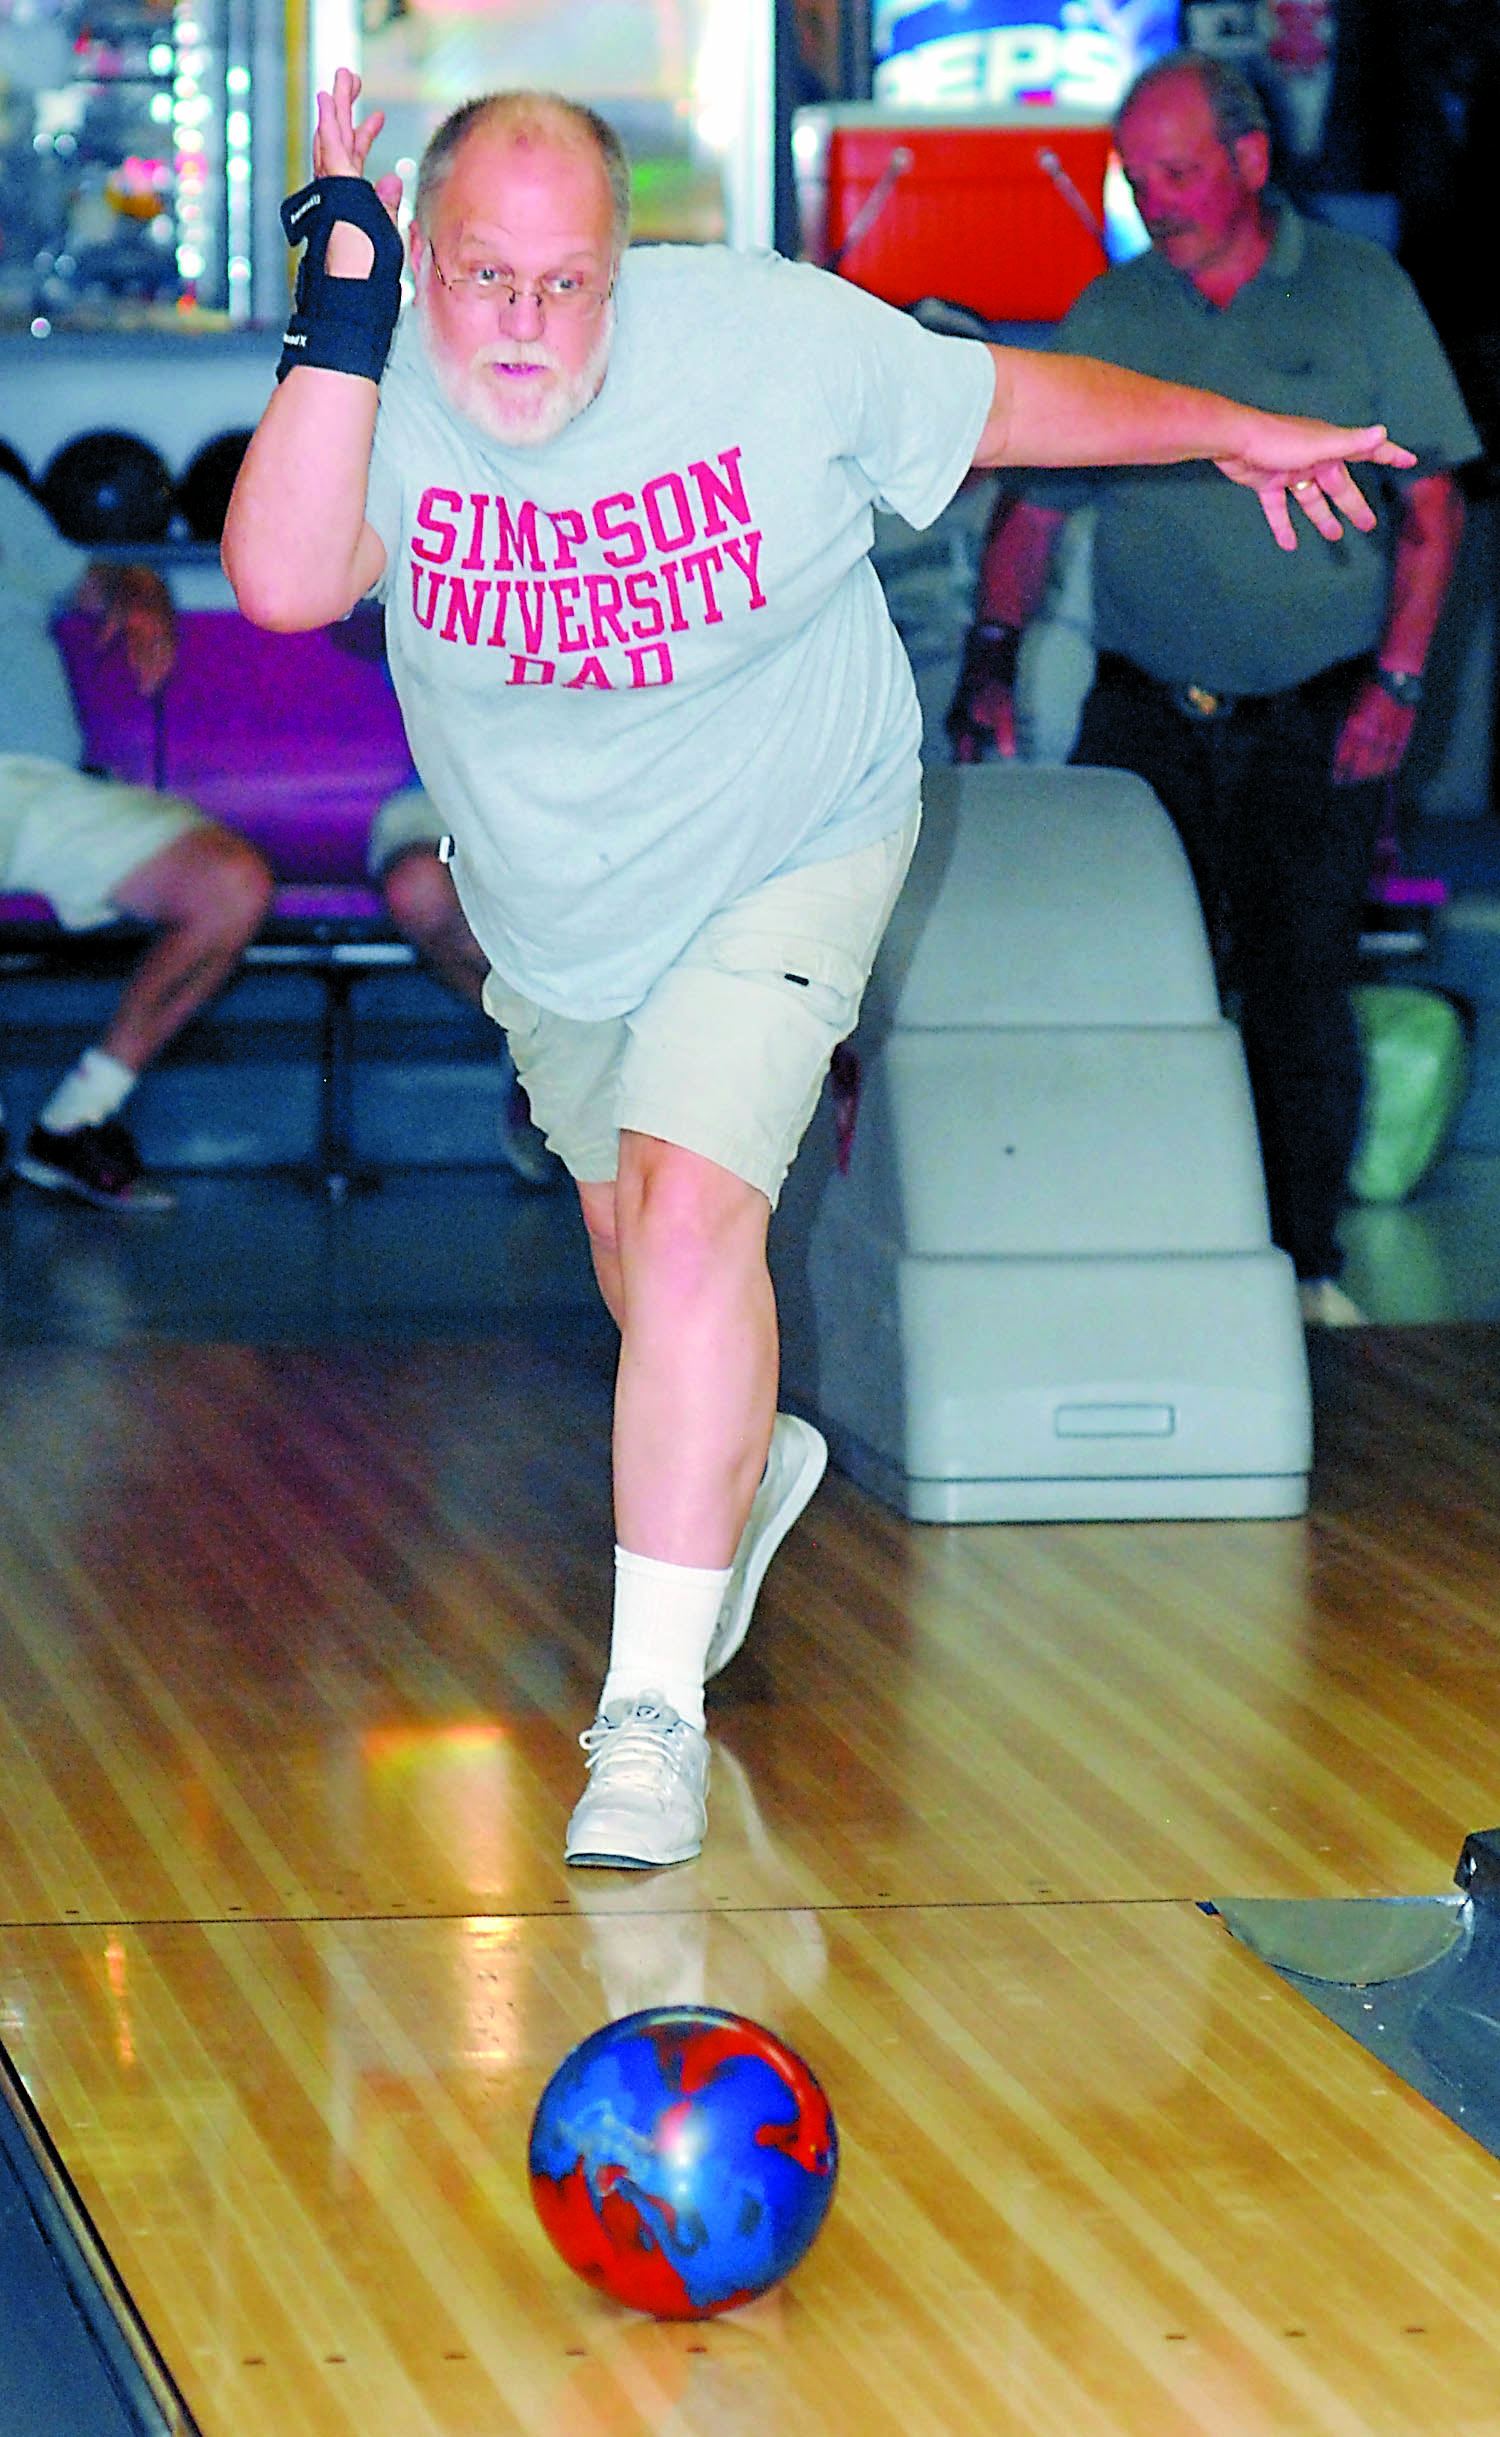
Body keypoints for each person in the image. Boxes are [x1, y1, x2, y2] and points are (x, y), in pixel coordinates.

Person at [222, 66, 1415, 1870]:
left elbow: (1009, 402)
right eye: (482, 278)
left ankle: (647, 1720)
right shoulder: (374, 375)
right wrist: (345, 308)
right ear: (420, 257)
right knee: (645, 1256)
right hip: (560, 904)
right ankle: (750, 1462)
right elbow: (289, 580)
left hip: (795, 841)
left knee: (698, 1216)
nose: (527, 325)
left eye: (569, 282)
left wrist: (1229, 428)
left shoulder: (772, 344)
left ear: (630, 267)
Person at [946, 52, 1478, 1329]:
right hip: (1148, 708)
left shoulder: (1359, 297)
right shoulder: (1115, 314)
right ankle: (1136, 1246)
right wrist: (992, 660)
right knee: (1126, 976)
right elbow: (1035, 507)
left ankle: (1299, 1266)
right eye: (1136, 177)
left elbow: (1433, 506)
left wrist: (1398, 684)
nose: (1156, 200)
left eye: (1178, 172)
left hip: (1320, 702)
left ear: (1249, 161)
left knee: (1298, 979)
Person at [1, 466, 273, 1210]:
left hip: (41, 785)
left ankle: (75, 1120)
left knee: (230, 884)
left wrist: (139, 586)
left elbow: (87, 579)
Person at [368, 783, 564, 1185]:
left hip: (596, 797)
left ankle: (554, 1057)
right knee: (421, 890)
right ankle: (544, 1054)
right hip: (453, 792)